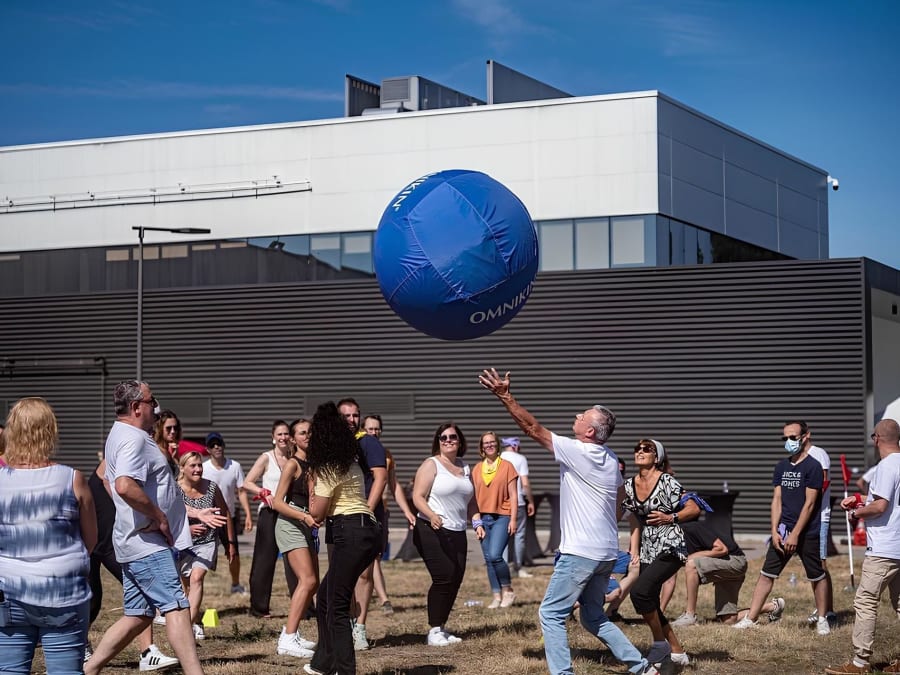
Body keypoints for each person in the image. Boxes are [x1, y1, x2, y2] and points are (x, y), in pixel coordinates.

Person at [479, 368, 656, 675]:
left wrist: (505, 395)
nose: (576, 414)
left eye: (582, 415)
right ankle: (642, 667)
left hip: (581, 553)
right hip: (604, 553)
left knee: (550, 613)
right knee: (591, 616)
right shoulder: (611, 457)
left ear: (590, 431)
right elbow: (618, 499)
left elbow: (533, 429)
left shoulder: (580, 451)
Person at [84, 380, 224, 675]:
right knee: (177, 607)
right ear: (136, 407)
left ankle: (90, 668)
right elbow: (123, 485)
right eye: (151, 401)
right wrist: (159, 516)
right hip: (147, 544)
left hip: (135, 542)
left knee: (138, 616)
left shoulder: (123, 434)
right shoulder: (132, 439)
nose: (156, 406)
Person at [0, 397, 97, 673]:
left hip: (9, 592)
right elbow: (90, 540)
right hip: (63, 593)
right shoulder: (72, 478)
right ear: (50, 432)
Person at [304, 401, 381, 675]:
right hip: (367, 529)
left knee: (336, 604)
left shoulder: (326, 468)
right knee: (325, 597)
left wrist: (311, 486)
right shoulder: (349, 463)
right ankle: (323, 662)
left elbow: (318, 513)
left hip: (351, 531)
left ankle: (344, 670)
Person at [733, 420, 829, 634]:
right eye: (784, 438)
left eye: (792, 437)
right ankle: (752, 618)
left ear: (805, 436)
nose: (788, 441)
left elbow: (810, 503)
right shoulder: (781, 466)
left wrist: (796, 534)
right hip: (783, 532)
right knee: (766, 574)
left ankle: (823, 618)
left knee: (816, 575)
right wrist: (774, 530)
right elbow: (777, 499)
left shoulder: (813, 466)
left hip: (806, 533)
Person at [88, 456, 179, 671]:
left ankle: (147, 652)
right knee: (92, 600)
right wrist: (139, 514)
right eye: (168, 429)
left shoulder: (155, 452)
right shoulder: (130, 442)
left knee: (144, 605)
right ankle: (83, 652)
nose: (173, 435)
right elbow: (113, 482)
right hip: (103, 531)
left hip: (120, 536)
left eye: (176, 431)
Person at [825, 418, 900, 675]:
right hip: (898, 545)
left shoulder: (886, 466)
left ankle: (859, 663)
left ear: (876, 438)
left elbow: (880, 506)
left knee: (866, 601)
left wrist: (857, 514)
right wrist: (859, 499)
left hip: (883, 548)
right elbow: (883, 499)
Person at [623, 439, 699, 670]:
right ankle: (677, 651)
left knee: (639, 592)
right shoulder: (629, 485)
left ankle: (659, 643)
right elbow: (634, 517)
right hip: (648, 548)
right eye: (638, 448)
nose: (641, 451)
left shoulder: (666, 481)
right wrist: (634, 548)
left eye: (647, 449)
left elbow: (694, 508)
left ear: (657, 458)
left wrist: (671, 517)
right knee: (650, 601)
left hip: (671, 546)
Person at [411, 422, 481, 647]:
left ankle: (441, 627)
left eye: (453, 437)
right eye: (444, 438)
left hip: (458, 530)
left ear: (460, 441)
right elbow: (418, 496)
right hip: (431, 528)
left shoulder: (465, 467)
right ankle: (433, 630)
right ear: (438, 441)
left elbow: (471, 503)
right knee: (444, 576)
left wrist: (477, 523)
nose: (448, 440)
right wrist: (431, 515)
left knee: (456, 579)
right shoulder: (431, 464)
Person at [336, 398, 387, 651]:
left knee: (365, 573)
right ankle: (342, 624)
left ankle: (360, 627)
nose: (352, 420)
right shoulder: (333, 446)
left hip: (366, 516)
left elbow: (381, 477)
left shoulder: (367, 442)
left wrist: (367, 511)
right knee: (341, 573)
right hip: (340, 517)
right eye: (346, 416)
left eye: (355, 415)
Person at [271, 418, 320, 659]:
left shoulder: (315, 463)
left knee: (314, 582)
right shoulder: (292, 464)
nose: (307, 436)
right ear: (292, 438)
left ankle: (293, 633)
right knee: (308, 580)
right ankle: (288, 639)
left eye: (310, 432)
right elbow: (277, 502)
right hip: (290, 524)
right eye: (302, 433)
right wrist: (304, 517)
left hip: (306, 525)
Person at [242, 420, 299, 618]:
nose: (283, 438)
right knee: (264, 561)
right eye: (279, 434)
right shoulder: (266, 458)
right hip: (270, 512)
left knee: (295, 559)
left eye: (286, 434)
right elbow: (247, 482)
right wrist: (263, 491)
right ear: (273, 437)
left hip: (291, 512)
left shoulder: (295, 458)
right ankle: (258, 608)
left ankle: (304, 607)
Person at [176, 451, 235, 642]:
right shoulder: (175, 490)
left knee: (197, 578)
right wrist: (188, 529)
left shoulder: (211, 487)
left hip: (208, 542)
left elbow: (225, 514)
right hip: (183, 544)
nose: (197, 469)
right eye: (192, 465)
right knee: (186, 588)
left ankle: (187, 630)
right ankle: (196, 621)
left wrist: (230, 543)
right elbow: (170, 517)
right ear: (182, 468)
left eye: (199, 465)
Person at [363, 414, 416, 615]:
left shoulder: (386, 454)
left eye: (377, 429)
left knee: (375, 556)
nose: (374, 432)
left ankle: (375, 597)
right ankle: (384, 599)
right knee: (372, 557)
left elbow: (393, 485)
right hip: (364, 511)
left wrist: (407, 511)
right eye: (370, 429)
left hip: (382, 512)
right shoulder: (359, 452)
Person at [669, 519, 750, 626]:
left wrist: (690, 557)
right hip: (725, 565)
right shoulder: (670, 544)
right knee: (729, 620)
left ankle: (689, 615)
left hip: (735, 561)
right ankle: (773, 606)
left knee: (691, 565)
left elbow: (722, 549)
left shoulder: (692, 528)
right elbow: (669, 580)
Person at [202, 431, 253, 595]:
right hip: (208, 519)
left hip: (228, 518)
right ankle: (197, 585)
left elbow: (242, 491)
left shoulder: (234, 466)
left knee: (233, 554)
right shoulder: (203, 468)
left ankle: (236, 584)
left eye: (219, 444)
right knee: (202, 555)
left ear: (224, 445)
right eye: (212, 445)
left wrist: (248, 515)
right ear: (208, 449)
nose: (217, 447)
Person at [472, 430, 519, 608]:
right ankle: (496, 595)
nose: (490, 445)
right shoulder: (477, 469)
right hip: (483, 519)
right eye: (486, 443)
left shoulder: (507, 466)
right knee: (489, 559)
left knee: (495, 555)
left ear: (497, 445)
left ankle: (508, 590)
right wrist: (476, 522)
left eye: (492, 442)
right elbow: (472, 499)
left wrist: (513, 519)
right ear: (482, 447)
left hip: (503, 516)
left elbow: (514, 495)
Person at [804, 428, 836, 628]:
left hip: (819, 517)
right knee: (814, 564)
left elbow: (823, 482)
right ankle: (824, 607)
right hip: (806, 518)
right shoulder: (798, 457)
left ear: (807, 434)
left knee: (820, 564)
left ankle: (827, 611)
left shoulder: (819, 454)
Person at [500, 436, 536, 578]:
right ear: (515, 446)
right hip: (518, 503)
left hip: (502, 504)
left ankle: (502, 567)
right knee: (519, 535)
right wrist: (531, 501)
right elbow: (525, 483)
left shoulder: (498, 458)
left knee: (503, 536)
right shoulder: (520, 459)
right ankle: (517, 567)